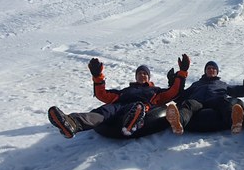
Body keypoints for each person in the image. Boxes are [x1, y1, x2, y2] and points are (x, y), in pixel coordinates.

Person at [47, 54, 190, 139]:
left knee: (137, 107)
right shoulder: (125, 91)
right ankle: (72, 123)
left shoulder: (156, 91)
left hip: (140, 107)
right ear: (136, 76)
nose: (142, 75)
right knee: (103, 111)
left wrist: (182, 72)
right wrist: (97, 76)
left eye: (145, 73)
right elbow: (102, 95)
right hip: (118, 105)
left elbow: (174, 92)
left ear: (148, 77)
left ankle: (132, 122)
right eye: (140, 73)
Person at [165, 60, 244, 134]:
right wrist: (173, 82)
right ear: (205, 71)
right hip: (198, 102)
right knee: (189, 103)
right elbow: (180, 97)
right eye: (208, 68)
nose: (211, 70)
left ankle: (234, 122)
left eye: (213, 68)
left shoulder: (223, 84)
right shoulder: (196, 84)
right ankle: (178, 122)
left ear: (217, 72)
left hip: (215, 101)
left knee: (224, 102)